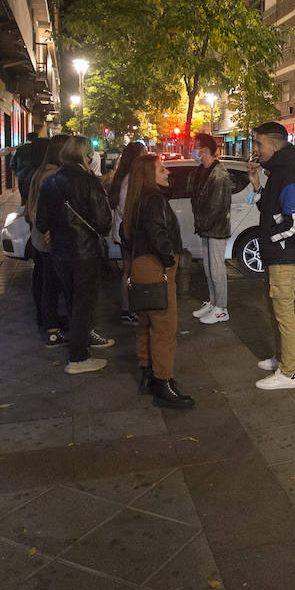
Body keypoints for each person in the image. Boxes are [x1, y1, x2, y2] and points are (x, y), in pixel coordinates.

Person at [35, 136, 115, 374]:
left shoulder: (51, 182)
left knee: (72, 300)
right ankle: (78, 357)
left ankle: (79, 343)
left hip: (60, 252)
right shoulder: (88, 182)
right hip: (85, 252)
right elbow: (103, 222)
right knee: (84, 303)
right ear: (86, 155)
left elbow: (41, 221)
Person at [122, 154, 192, 408]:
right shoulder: (153, 200)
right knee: (164, 328)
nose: (167, 173)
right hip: (155, 266)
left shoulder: (137, 199)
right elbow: (157, 232)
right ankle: (164, 383)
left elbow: (125, 233)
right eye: (161, 169)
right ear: (149, 175)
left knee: (145, 323)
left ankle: (148, 373)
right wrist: (169, 259)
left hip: (140, 265)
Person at [248, 121, 295, 391]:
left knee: (284, 314)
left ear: (274, 144)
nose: (255, 149)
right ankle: (280, 359)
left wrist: (271, 239)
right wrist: (257, 185)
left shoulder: (289, 174)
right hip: (274, 254)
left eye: (259, 143)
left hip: (282, 256)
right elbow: (271, 210)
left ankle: (288, 373)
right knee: (274, 309)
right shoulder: (277, 171)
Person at [27, 135, 70, 344]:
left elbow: (30, 209)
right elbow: (47, 210)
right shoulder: (52, 175)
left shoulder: (40, 173)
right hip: (47, 239)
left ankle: (46, 320)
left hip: (38, 237)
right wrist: (49, 230)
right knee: (50, 283)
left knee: (43, 280)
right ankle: (52, 327)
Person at [191, 133, 232, 324]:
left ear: (204, 150)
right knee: (208, 269)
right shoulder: (202, 170)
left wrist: (203, 224)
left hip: (215, 229)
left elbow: (217, 206)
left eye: (196, 146)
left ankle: (221, 308)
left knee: (216, 269)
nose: (193, 149)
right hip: (206, 228)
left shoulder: (219, 174)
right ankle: (213, 302)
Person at [108, 141, 148, 324]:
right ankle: (128, 309)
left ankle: (129, 308)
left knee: (129, 270)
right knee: (130, 271)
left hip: (125, 230)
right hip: (128, 231)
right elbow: (126, 208)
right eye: (144, 152)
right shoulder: (130, 179)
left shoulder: (124, 176)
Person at [11, 131, 44, 207]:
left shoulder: (19, 149)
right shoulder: (40, 149)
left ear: (27, 138)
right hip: (36, 176)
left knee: (24, 199)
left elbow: (12, 164)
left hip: (22, 177)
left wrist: (17, 173)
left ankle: (24, 214)